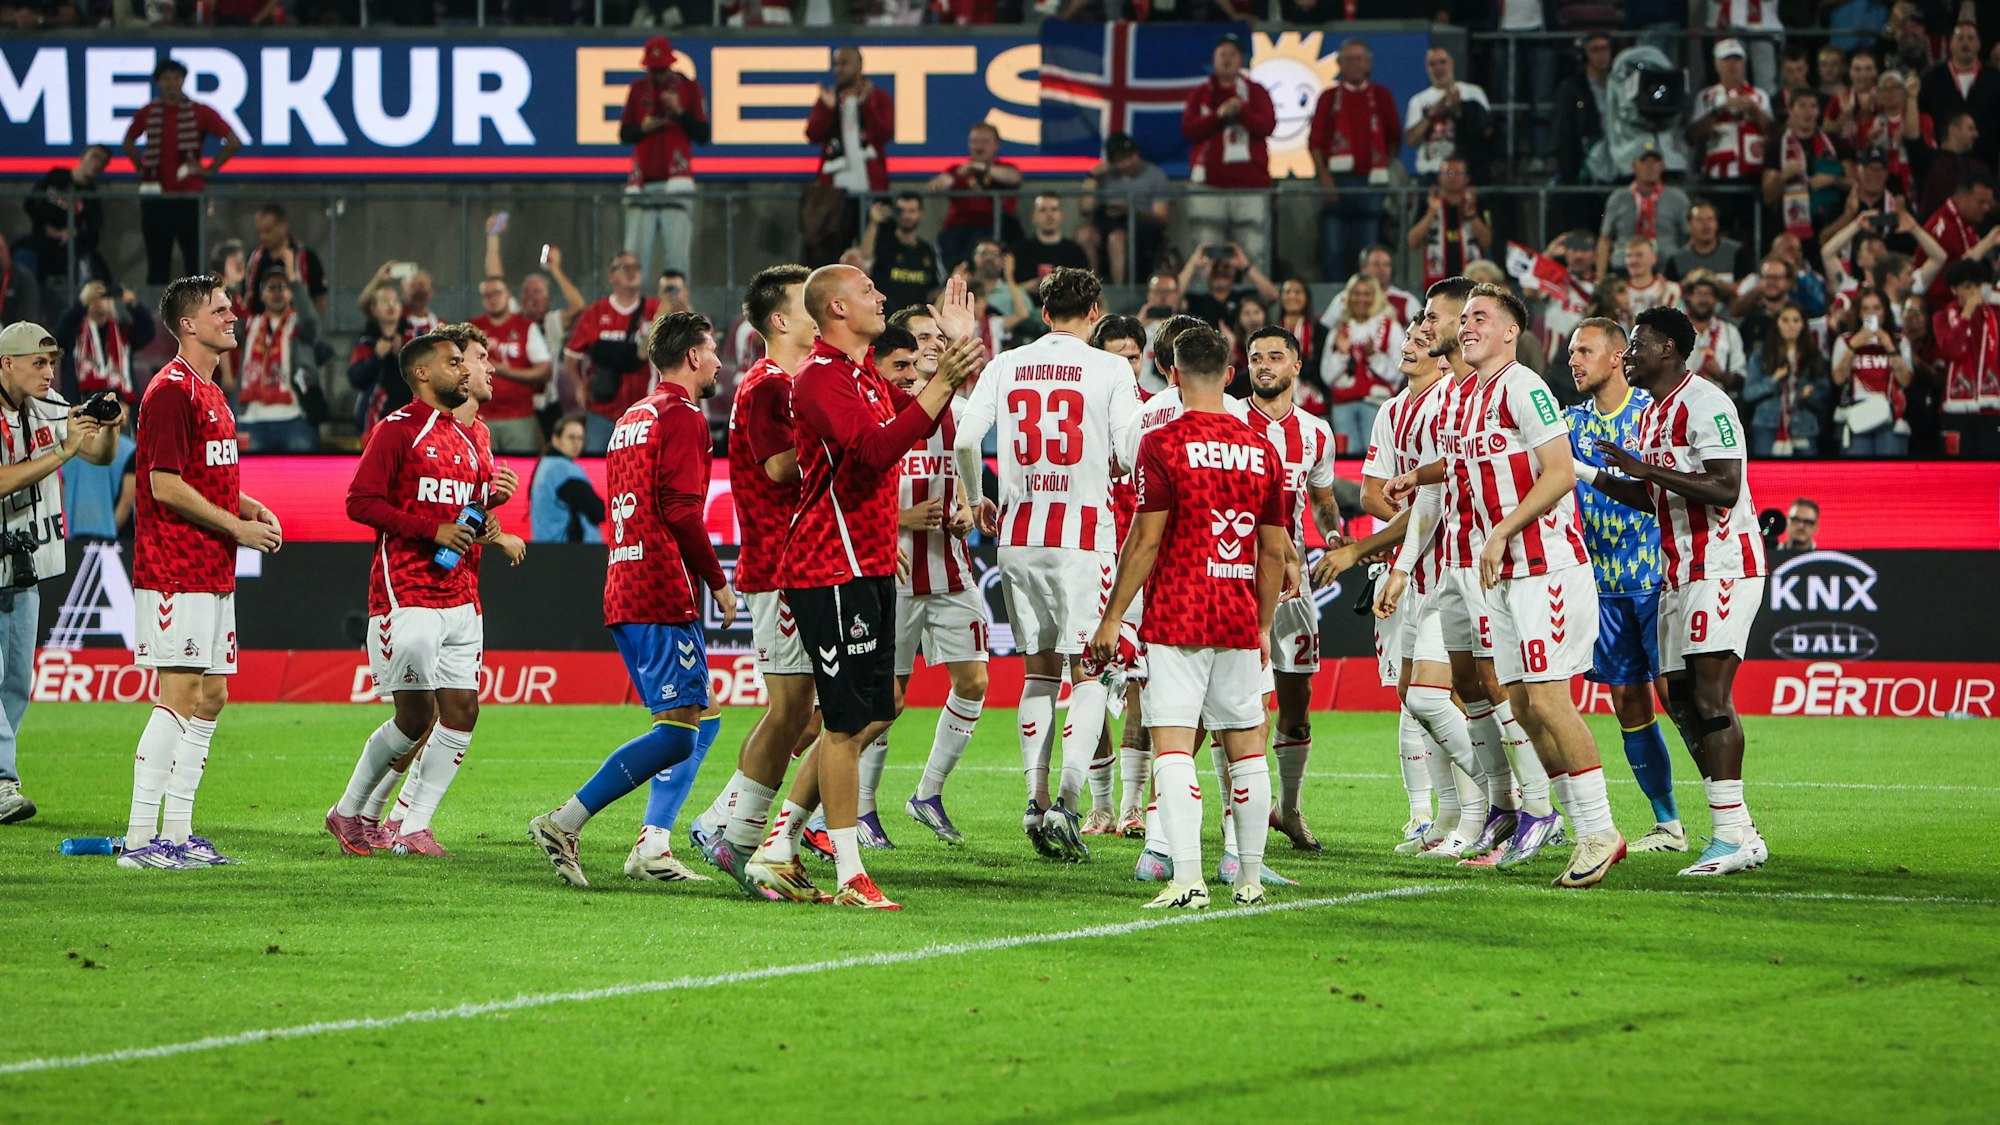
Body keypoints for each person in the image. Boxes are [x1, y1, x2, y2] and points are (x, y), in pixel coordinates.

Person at [742, 267, 976, 911]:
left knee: (881, 706)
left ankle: (779, 841)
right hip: (829, 568)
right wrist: (947, 375)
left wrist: (949, 360)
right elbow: (875, 452)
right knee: (844, 724)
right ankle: (848, 872)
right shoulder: (818, 378)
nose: (882, 297)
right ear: (838, 307)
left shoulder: (861, 375)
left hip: (868, 564)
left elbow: (918, 424)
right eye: (871, 291)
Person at [528, 312, 736, 888]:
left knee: (704, 717)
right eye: (713, 350)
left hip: (622, 581)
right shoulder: (685, 415)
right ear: (692, 357)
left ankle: (653, 843)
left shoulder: (630, 418)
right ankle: (565, 822)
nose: (719, 361)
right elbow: (681, 511)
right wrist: (716, 580)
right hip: (661, 590)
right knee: (677, 732)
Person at [1089, 325, 1287, 910]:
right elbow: (1273, 551)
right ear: (1232, 375)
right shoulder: (1263, 448)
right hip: (1237, 614)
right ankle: (1249, 879)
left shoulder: (1163, 442)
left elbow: (1146, 541)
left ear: (1171, 376)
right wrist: (1264, 625)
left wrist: (1112, 618)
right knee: (1247, 747)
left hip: (1178, 611)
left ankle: (1188, 880)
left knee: (1173, 747)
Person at [955, 266, 1140, 862]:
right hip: (1082, 538)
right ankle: (1065, 802)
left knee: (1037, 672)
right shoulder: (1110, 367)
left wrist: (971, 495)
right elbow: (1132, 451)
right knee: (1089, 670)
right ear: (1095, 313)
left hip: (1017, 534)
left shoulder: (1005, 364)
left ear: (1043, 314)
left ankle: (1034, 802)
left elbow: (965, 440)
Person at [1579, 306, 1770, 878]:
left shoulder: (1707, 402)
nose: (1627, 354)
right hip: (1677, 571)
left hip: (1723, 566)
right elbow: (1649, 496)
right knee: (1681, 697)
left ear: (1668, 349)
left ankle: (1730, 836)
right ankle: (1740, 830)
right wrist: (1591, 471)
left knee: (1710, 697)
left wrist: (1645, 468)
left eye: (1636, 344)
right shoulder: (1654, 413)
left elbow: (1727, 487)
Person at [119, 276, 282, 869]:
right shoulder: (169, 391)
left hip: (213, 571)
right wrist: (237, 528)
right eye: (220, 310)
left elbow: (204, 477)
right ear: (189, 324)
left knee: (212, 695)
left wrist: (248, 506)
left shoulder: (212, 393)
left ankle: (179, 832)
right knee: (181, 694)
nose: (232, 315)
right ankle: (139, 841)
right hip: (175, 568)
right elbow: (161, 484)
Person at [322, 334, 496, 858]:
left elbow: (469, 516)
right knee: (415, 718)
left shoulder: (468, 439)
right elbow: (360, 502)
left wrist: (491, 508)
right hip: (409, 591)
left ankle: (414, 825)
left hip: (463, 594)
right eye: (453, 362)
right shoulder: (396, 430)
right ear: (422, 373)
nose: (464, 370)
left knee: (463, 710)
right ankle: (349, 812)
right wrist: (430, 530)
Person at [681, 265, 826, 892]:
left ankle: (724, 820)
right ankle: (738, 834)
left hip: (799, 562)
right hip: (783, 565)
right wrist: (840, 436)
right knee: (794, 710)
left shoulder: (789, 382)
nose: (820, 312)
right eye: (807, 303)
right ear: (780, 320)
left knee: (810, 714)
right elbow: (779, 469)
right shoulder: (770, 386)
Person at [866, 325, 992, 845]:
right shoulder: (875, 411)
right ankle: (861, 809)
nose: (918, 369)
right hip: (891, 574)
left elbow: (960, 474)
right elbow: (850, 484)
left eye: (927, 357)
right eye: (912, 357)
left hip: (950, 570)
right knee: (885, 701)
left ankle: (928, 793)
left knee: (975, 681)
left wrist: (963, 508)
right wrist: (899, 519)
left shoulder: (955, 414)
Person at [1563, 317, 1682, 852]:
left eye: (1584, 351)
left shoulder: (1650, 414)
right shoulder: (1567, 424)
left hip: (1656, 578)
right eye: (1570, 352)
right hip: (1602, 586)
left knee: (1677, 698)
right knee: (1629, 705)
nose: (1574, 361)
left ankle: (1732, 818)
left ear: (1617, 357)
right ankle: (1670, 824)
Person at [0, 322, 117, 825]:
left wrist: (107, 424)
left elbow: (99, 456)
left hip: (22, 566)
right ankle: (4, 782)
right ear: (7, 364)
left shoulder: (50, 405)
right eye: (38, 363)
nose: (49, 372)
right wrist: (62, 450)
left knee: (16, 682)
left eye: (53, 363)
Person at [1240, 326, 1340, 853]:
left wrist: (1335, 533)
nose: (1264, 365)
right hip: (1240, 583)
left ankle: (1289, 808)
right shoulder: (1232, 422)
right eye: (1256, 357)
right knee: (1245, 707)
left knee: (1296, 701)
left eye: (1275, 357)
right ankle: (1242, 825)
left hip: (1295, 593)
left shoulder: (1317, 433)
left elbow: (1321, 499)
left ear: (1297, 366)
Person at [122, 60, 240, 285]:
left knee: (194, 263)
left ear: (183, 81)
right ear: (158, 82)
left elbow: (233, 141)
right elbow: (128, 141)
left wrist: (209, 169)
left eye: (176, 78)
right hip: (156, 197)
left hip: (189, 197)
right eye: (166, 78)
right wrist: (141, 167)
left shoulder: (200, 111)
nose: (172, 83)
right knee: (157, 264)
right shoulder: (148, 112)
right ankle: (158, 316)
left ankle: (195, 315)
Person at [1310, 37, 1402, 285]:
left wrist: (1384, 168)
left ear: (1368, 64)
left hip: (1371, 183)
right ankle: (1334, 298)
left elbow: (1394, 136)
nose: (1354, 63)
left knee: (1368, 250)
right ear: (1339, 63)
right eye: (1348, 58)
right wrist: (1325, 177)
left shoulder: (1381, 96)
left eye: (1359, 58)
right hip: (1336, 182)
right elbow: (1315, 142)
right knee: (1334, 250)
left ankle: (1371, 298)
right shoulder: (1328, 97)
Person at [1181, 33, 1277, 271]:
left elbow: (1267, 125)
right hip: (1208, 185)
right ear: (1214, 59)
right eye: (1222, 54)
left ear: (1241, 60)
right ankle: (1205, 304)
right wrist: (1219, 116)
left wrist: (1241, 110)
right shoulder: (1200, 93)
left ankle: (1253, 303)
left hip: (1250, 186)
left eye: (1232, 54)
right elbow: (1189, 130)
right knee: (1207, 250)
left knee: (1252, 249)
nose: (1227, 59)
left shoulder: (1256, 92)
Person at [621, 37, 709, 287]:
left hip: (676, 183)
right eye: (654, 69)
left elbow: (703, 134)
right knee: (634, 260)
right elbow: (625, 134)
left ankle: (680, 319)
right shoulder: (638, 90)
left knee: (677, 259)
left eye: (661, 68)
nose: (658, 74)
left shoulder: (689, 88)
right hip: (643, 182)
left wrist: (680, 113)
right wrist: (643, 128)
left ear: (670, 64)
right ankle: (633, 317)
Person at [804, 46, 894, 267]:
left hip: (870, 190)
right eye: (836, 64)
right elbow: (812, 134)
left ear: (859, 65)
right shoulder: (829, 99)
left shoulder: (878, 97)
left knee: (876, 254)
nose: (838, 70)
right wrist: (828, 109)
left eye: (844, 63)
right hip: (834, 194)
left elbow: (884, 133)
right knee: (830, 258)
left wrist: (867, 105)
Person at [564, 252, 660, 455]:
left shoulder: (655, 310)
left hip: (642, 409)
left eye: (636, 267)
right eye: (625, 267)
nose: (632, 272)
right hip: (602, 409)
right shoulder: (595, 313)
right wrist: (579, 386)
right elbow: (571, 355)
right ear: (611, 277)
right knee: (596, 464)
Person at [1688, 39, 1775, 238]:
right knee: (1719, 230)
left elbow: (1774, 133)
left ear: (1744, 63)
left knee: (1754, 231)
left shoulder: (1760, 96)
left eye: (1737, 60)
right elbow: (1693, 136)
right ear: (1717, 64)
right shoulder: (1706, 97)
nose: (1732, 65)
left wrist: (1755, 111)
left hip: (1753, 175)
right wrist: (1719, 110)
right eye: (1727, 60)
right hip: (1717, 177)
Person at [233, 265, 322, 453]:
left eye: (282, 287)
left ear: (291, 293)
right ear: (262, 294)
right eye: (271, 288)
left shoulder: (298, 325)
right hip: (252, 419)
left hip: (294, 418)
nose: (277, 293)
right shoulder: (249, 325)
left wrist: (296, 281)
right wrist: (230, 286)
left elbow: (312, 323)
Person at [1321, 273, 1405, 457]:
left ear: (1376, 297)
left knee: (1376, 459)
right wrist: (1342, 354)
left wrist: (1374, 357)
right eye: (1356, 294)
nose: (1361, 299)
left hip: (1376, 403)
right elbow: (1327, 376)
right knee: (1346, 460)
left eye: (1367, 294)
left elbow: (1399, 373)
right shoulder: (1338, 330)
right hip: (1343, 404)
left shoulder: (1392, 327)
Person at [470, 275, 553, 455]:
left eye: (497, 293)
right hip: (480, 416)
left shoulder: (525, 327)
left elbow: (545, 370)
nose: (493, 298)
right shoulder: (473, 327)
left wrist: (507, 372)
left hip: (518, 417)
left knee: (519, 472)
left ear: (508, 295)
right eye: (487, 295)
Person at [1076, 132, 1171, 286]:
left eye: (1131, 155)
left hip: (1140, 226)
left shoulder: (1155, 175)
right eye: (1122, 160)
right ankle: (1092, 287)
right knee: (1085, 234)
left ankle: (1118, 291)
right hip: (1107, 221)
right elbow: (1086, 208)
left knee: (1116, 238)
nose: (1129, 162)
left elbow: (1162, 219)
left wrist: (1130, 210)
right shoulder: (1105, 176)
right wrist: (1092, 176)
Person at [928, 122, 1023, 275]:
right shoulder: (958, 170)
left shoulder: (1006, 169)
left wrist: (981, 167)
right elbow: (936, 184)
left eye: (985, 142)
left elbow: (1015, 178)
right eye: (974, 141)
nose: (979, 146)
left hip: (993, 228)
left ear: (997, 145)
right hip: (958, 229)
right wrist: (944, 181)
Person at [1929, 258, 2000, 456]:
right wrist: (1967, 313)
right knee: (1956, 470)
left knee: (1991, 470)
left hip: (1992, 408)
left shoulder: (1995, 314)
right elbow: (1951, 349)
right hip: (1956, 408)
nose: (1973, 292)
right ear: (1954, 290)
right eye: (1967, 287)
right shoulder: (1942, 317)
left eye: (1977, 286)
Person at [1832, 287, 1916, 454]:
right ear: (1859, 313)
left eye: (1877, 308)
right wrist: (1853, 346)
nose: (1872, 314)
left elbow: (1906, 380)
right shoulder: (1845, 341)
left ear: (1885, 311)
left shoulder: (1899, 341)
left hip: (1891, 415)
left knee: (1889, 473)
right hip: (1857, 412)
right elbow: (1838, 379)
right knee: (1858, 474)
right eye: (1866, 309)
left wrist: (1889, 346)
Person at [1743, 301, 1833, 456]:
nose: (1791, 325)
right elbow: (1749, 393)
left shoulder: (1814, 356)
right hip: (1767, 426)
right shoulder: (1761, 355)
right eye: (1785, 320)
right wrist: (1772, 381)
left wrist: (1810, 394)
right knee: (1767, 478)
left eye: (1796, 320)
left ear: (1803, 325)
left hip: (1804, 425)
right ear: (1777, 324)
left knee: (1805, 479)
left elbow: (1825, 394)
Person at [1764, 89, 1848, 245]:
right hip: (1791, 228)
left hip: (1830, 224)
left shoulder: (1835, 144)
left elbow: (1855, 183)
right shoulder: (1777, 147)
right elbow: (1768, 197)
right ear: (1790, 110)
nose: (1808, 112)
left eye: (1812, 106)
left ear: (1818, 111)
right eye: (1802, 106)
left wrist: (1833, 180)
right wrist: (1783, 177)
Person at [20, 145, 109, 291]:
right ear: (83, 156)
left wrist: (75, 232)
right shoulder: (56, 176)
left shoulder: (92, 195)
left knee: (93, 269)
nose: (98, 163)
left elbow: (94, 230)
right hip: (42, 239)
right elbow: (30, 204)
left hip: (72, 247)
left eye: (103, 162)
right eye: (95, 157)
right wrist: (46, 228)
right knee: (22, 257)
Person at [53, 280, 154, 407]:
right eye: (92, 298)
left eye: (103, 297)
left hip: (120, 408)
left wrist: (132, 303)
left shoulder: (123, 333)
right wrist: (79, 305)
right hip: (80, 405)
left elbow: (148, 330)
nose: (98, 301)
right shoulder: (74, 332)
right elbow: (60, 337)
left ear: (111, 302)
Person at [1599, 147, 1691, 278]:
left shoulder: (1678, 198)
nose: (1650, 167)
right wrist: (1600, 278)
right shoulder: (1617, 198)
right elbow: (1605, 239)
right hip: (1623, 269)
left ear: (1663, 166)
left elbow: (1688, 236)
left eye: (1655, 162)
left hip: (1666, 270)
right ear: (1634, 166)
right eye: (1644, 162)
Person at [1918, 21, 2000, 169]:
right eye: (1960, 38)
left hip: (1987, 164)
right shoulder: (1932, 79)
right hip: (1943, 165)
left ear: (1979, 44)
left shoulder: (1994, 78)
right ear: (1950, 44)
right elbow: (1923, 118)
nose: (1965, 43)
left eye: (1970, 38)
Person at [1403, 46, 1492, 183]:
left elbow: (1487, 130)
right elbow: (1411, 140)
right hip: (1431, 172)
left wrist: (1460, 109)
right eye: (1432, 64)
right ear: (1427, 68)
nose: (1438, 68)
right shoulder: (1418, 100)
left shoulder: (1473, 92)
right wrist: (1430, 115)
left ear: (1452, 64)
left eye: (1443, 62)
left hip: (1465, 172)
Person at [1407, 156, 1490, 291]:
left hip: (1470, 283)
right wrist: (1431, 212)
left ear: (1466, 179)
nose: (1452, 177)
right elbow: (1412, 241)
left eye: (1457, 173)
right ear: (1439, 177)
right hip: (1438, 284)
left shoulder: (1476, 202)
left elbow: (1486, 241)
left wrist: (1471, 213)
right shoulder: (1427, 203)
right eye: (1447, 173)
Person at [1918, 172, 1996, 311]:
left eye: (1988, 203)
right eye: (1981, 202)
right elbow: (1955, 274)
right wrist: (1988, 242)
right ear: (1960, 198)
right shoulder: (1942, 227)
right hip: (1939, 308)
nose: (1986, 208)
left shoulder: (1967, 222)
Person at [864, 192, 943, 319]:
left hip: (914, 324)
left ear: (920, 213)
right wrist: (874, 223)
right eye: (902, 211)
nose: (906, 216)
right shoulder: (883, 244)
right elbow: (865, 258)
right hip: (885, 320)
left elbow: (932, 290)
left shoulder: (927, 250)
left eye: (912, 211)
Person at [347, 284, 411, 438]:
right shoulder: (366, 343)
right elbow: (355, 378)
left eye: (395, 301)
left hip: (409, 415)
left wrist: (401, 355)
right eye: (384, 301)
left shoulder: (413, 338)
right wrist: (377, 357)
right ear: (374, 309)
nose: (391, 305)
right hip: (375, 417)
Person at [1552, 31, 1614, 186]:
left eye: (1605, 49)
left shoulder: (1620, 85)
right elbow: (1564, 129)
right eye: (1595, 50)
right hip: (1587, 158)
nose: (1602, 55)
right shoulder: (1572, 88)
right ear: (1584, 55)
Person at [529, 415, 604, 544]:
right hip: (567, 552)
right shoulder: (562, 469)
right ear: (555, 440)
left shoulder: (544, 465)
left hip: (544, 548)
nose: (577, 443)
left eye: (580, 438)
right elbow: (597, 511)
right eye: (571, 437)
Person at [244, 204, 328, 318]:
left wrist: (309, 329)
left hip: (297, 331)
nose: (262, 237)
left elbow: (319, 301)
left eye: (267, 231)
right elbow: (248, 299)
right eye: (260, 232)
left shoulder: (307, 257)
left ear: (283, 227)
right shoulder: (254, 260)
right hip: (261, 331)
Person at [1179, 242, 1278, 333]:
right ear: (1206, 272)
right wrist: (1193, 264)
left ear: (1235, 272)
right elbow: (1172, 299)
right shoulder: (1195, 301)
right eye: (1215, 267)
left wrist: (1245, 266)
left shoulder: (1244, 298)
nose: (1220, 271)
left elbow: (1272, 295)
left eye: (1226, 267)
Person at [1666, 200, 1755, 287]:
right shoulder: (1677, 260)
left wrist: (1712, 280)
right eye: (1700, 220)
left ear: (1717, 224)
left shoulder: (1737, 252)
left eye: (1710, 219)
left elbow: (1745, 290)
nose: (1706, 224)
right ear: (1689, 225)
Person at [1622, 237, 1682, 315]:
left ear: (1654, 258)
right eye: (1629, 255)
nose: (1633, 260)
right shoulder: (1617, 292)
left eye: (1639, 255)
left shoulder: (1671, 290)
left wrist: (1660, 302)